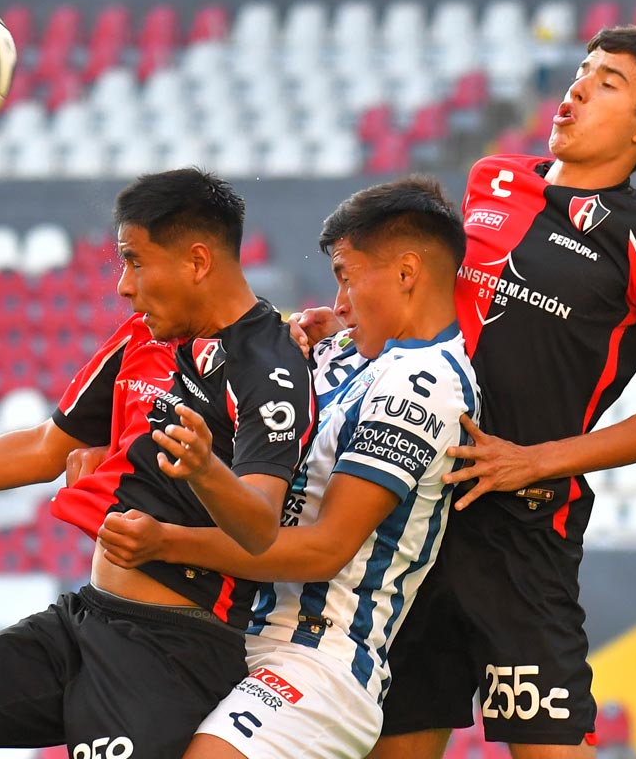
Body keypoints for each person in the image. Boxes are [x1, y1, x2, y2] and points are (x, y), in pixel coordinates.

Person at [295, 26, 636, 758]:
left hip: (523, 535)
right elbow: (433, 308)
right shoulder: (493, 179)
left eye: (609, 82)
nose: (579, 87)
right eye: (583, 71)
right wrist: (349, 317)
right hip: (413, 514)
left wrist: (537, 462)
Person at [0, 168, 316, 759]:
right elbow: (44, 448)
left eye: (135, 261)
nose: (123, 287)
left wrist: (205, 474)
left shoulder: (272, 366)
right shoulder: (142, 339)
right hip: (88, 616)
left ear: (198, 261)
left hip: (177, 646)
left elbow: (262, 524)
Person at [92, 175, 480, 759]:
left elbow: (325, 549)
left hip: (317, 655)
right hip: (235, 635)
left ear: (406, 273)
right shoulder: (346, 349)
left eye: (348, 277)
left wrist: (166, 542)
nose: (339, 300)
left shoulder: (426, 388)